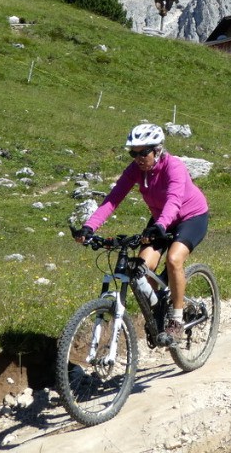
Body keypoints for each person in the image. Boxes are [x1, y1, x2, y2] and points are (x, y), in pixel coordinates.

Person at [73, 123, 209, 343]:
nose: (138, 157)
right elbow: (112, 199)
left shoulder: (174, 166)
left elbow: (174, 200)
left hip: (190, 217)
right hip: (161, 220)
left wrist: (161, 225)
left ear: (157, 150)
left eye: (143, 152)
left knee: (174, 259)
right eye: (133, 153)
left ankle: (176, 319)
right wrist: (90, 227)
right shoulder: (135, 170)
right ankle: (156, 314)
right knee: (142, 268)